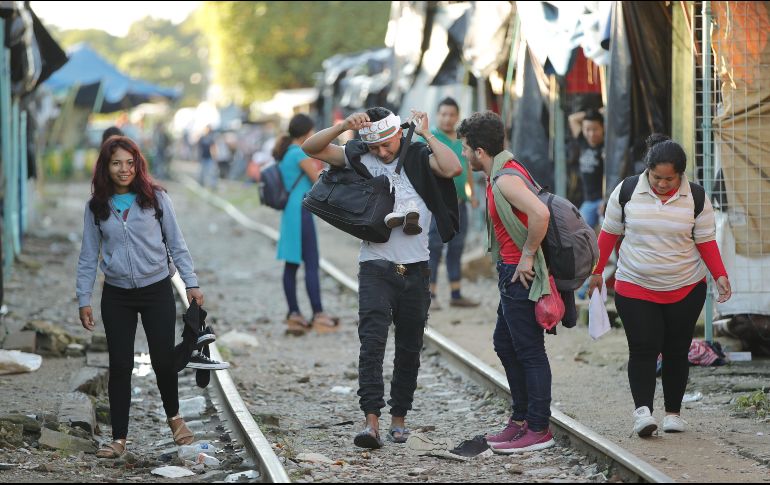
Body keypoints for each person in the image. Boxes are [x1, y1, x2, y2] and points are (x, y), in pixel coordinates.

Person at [302, 107, 461, 449]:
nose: (382, 153)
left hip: (416, 267)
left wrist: (427, 135)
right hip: (376, 265)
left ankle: (399, 419)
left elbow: (453, 168)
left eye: (387, 146)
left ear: (399, 135)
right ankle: (370, 421)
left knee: (409, 347)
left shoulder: (419, 155)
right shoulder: (359, 157)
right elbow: (311, 149)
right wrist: (343, 126)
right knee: (371, 344)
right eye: (375, 148)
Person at [588, 134, 732, 437]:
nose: (663, 184)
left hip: (685, 286)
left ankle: (673, 413)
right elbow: (608, 234)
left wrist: (719, 274)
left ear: (680, 174)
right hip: (635, 284)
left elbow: (705, 240)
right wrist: (596, 271)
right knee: (643, 348)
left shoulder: (695, 197)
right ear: (647, 170)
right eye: (657, 177)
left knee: (676, 350)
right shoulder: (627, 191)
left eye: (670, 179)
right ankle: (642, 412)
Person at [76, 136, 207, 458]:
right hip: (116, 294)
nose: (124, 169)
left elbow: (177, 244)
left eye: (130, 163)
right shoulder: (96, 206)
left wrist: (191, 283)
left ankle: (175, 419)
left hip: (156, 288)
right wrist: (84, 299)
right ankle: (119, 438)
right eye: (117, 163)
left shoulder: (156, 199)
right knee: (119, 365)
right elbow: (87, 256)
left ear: (138, 164)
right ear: (106, 167)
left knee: (163, 360)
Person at [457, 111, 556, 454]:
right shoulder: (502, 172)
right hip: (510, 273)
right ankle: (521, 420)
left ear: (479, 151)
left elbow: (541, 215)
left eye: (466, 149)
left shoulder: (505, 179)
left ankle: (539, 428)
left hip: (519, 273)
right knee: (505, 342)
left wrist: (527, 254)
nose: (464, 155)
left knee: (529, 351)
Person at [275, 114, 339, 335]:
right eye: (312, 132)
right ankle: (318, 314)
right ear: (305, 133)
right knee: (311, 261)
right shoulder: (298, 153)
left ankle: (294, 313)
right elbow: (317, 177)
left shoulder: (286, 152)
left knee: (292, 264)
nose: (313, 135)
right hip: (300, 211)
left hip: (291, 213)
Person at [423, 97, 480, 310]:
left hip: (459, 204)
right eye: (443, 114)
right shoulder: (429, 139)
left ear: (457, 116)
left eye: (451, 114)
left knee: (457, 247)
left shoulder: (461, 141)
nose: (447, 119)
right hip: (437, 205)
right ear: (438, 115)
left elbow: (467, 171)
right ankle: (431, 294)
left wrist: (472, 194)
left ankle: (456, 294)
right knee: (434, 248)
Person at [568, 108, 605, 230]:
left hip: (603, 200)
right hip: (588, 201)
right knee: (579, 231)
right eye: (587, 129)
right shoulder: (583, 142)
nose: (591, 133)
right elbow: (572, 119)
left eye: (595, 129)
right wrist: (597, 112)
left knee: (605, 233)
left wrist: (606, 200)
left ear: (603, 128)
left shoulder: (606, 146)